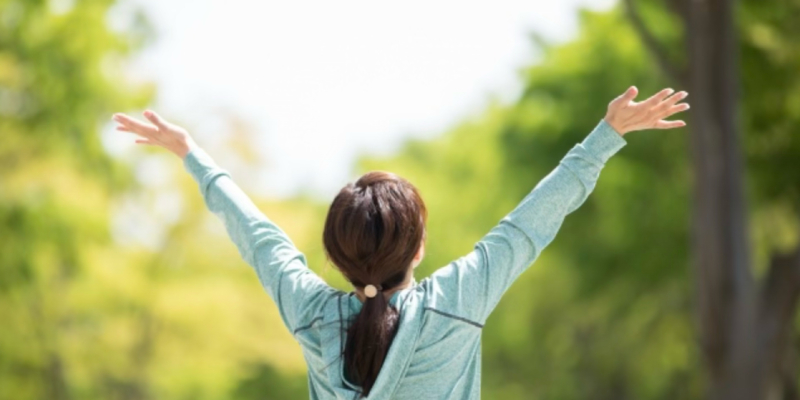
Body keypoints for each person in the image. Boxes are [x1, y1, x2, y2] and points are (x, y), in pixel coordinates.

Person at [113, 86, 689, 399]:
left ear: (337, 257)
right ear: (417, 250)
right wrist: (607, 135)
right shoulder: (456, 303)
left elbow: (259, 238)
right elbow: (531, 221)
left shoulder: (312, 317)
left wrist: (191, 154)